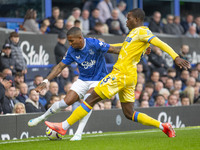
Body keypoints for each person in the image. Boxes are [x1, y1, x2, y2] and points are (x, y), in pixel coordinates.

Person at [44, 8, 190, 138]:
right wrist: (98, 47)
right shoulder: (133, 35)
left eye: (128, 18)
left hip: (121, 74)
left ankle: (63, 126)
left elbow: (160, 43)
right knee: (129, 113)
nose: (126, 21)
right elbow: (124, 47)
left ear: (137, 20)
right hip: (130, 77)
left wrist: (175, 56)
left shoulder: (143, 31)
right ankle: (162, 126)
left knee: (91, 98)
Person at [28, 27, 123, 141]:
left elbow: (115, 49)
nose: (70, 43)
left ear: (80, 38)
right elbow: (59, 67)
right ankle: (42, 117)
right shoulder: (71, 51)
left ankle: (78, 133)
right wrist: (45, 80)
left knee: (88, 100)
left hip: (98, 79)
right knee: (65, 103)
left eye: (71, 41)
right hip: (82, 80)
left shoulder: (94, 43)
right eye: (69, 41)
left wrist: (137, 52)